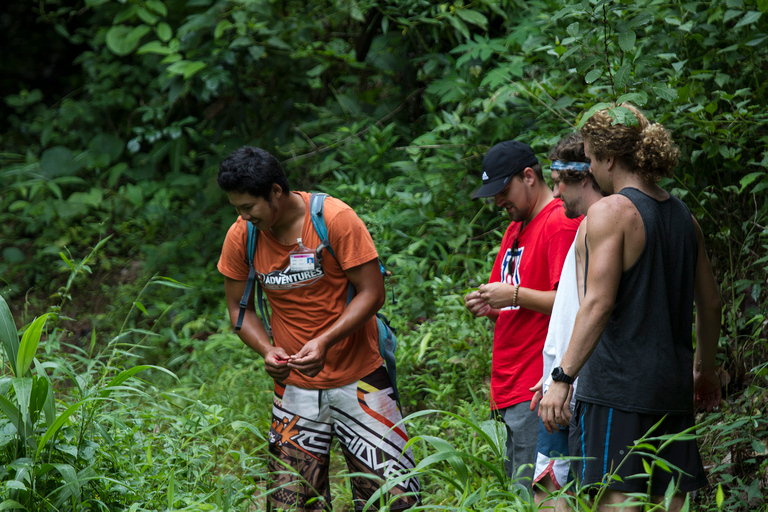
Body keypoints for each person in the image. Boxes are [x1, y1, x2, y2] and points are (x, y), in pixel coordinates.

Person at [539, 104, 722, 511]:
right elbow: (709, 303)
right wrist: (704, 370)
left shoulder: (612, 212)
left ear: (608, 158)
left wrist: (563, 376)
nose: (589, 166)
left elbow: (598, 303)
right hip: (672, 391)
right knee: (668, 504)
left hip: (618, 394)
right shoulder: (683, 217)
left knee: (618, 504)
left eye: (589, 158)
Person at [216, 146, 419, 511]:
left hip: (361, 379)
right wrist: (266, 349)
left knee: (393, 500)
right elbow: (238, 309)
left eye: (248, 207)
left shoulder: (334, 219)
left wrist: (324, 341)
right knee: (290, 504)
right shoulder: (242, 235)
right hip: (296, 389)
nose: (243, 216)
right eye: (237, 208)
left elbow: (373, 293)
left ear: (275, 191)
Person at [463, 140, 582, 484]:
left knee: (539, 490)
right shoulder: (516, 227)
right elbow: (517, 301)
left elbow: (570, 304)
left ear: (529, 176)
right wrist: (490, 305)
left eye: (503, 190)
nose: (498, 200)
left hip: (537, 384)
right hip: (507, 384)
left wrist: (512, 294)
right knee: (517, 491)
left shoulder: (559, 222)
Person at [529, 133, 605, 510]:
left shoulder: (596, 228)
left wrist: (563, 380)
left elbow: (592, 310)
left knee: (555, 490)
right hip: (561, 381)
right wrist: (549, 377)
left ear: (584, 178)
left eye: (559, 182)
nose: (554, 193)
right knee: (550, 485)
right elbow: (568, 310)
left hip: (575, 385)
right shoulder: (584, 227)